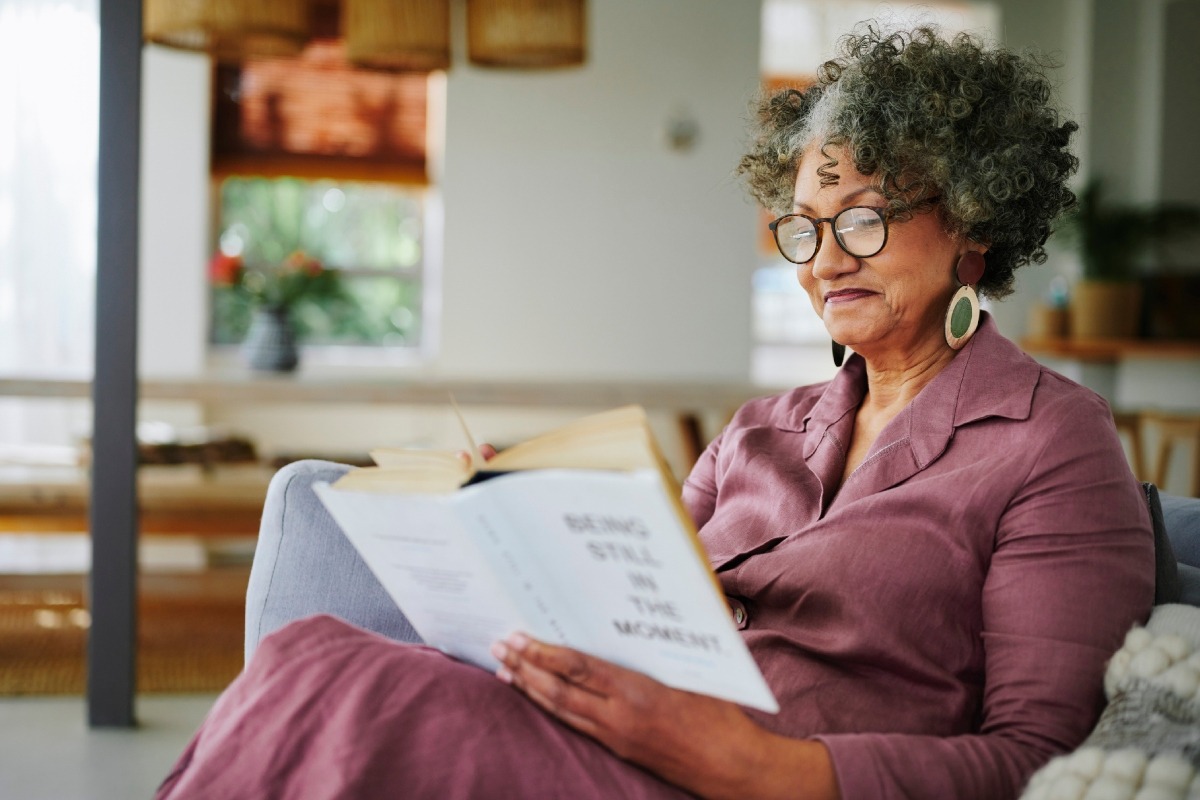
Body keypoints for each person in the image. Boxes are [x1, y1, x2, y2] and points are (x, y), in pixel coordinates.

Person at [156, 26, 1154, 800]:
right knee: (316, 651)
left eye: (866, 217)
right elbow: (647, 605)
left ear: (972, 225)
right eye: (805, 227)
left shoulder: (1053, 441)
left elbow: (1038, 758)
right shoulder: (761, 426)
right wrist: (526, 525)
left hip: (750, 780)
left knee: (354, 688)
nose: (829, 257)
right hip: (602, 734)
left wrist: (761, 766)